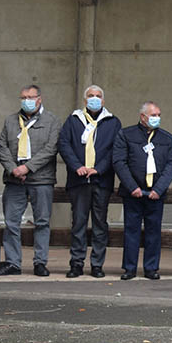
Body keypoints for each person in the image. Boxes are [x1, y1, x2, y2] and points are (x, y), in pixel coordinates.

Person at [0, 84, 62, 276]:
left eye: (30, 98)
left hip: (41, 179)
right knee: (11, 222)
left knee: (42, 222)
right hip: (14, 180)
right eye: (23, 98)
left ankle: (40, 262)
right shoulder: (10, 121)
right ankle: (13, 263)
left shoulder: (52, 121)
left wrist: (28, 167)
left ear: (39, 99)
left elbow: (51, 148)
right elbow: (2, 147)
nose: (26, 101)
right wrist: (13, 169)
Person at [57, 84, 121, 278]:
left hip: (102, 181)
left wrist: (98, 169)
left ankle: (97, 264)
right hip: (78, 180)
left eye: (98, 96)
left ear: (103, 100)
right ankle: (76, 263)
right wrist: (77, 166)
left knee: (100, 225)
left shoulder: (112, 122)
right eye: (91, 96)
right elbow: (64, 144)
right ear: (85, 100)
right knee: (78, 223)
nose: (94, 98)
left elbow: (115, 149)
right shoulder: (73, 120)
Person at [112, 102, 172, 280]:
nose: (157, 118)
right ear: (143, 116)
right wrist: (132, 187)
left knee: (153, 232)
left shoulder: (167, 138)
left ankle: (151, 268)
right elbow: (119, 162)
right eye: (153, 115)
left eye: (159, 115)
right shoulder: (126, 134)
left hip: (155, 193)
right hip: (133, 192)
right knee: (131, 231)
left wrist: (159, 188)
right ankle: (129, 268)